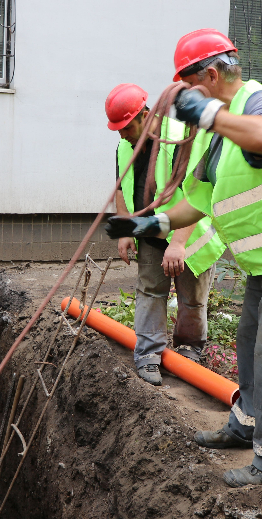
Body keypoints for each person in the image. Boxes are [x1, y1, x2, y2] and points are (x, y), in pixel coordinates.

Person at [105, 29, 262, 488]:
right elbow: (197, 201)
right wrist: (146, 226)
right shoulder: (219, 135)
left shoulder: (257, 104)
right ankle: (245, 427)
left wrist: (210, 114)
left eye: (190, 88)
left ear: (211, 76)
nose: (186, 100)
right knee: (250, 347)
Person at [104, 83, 225, 385]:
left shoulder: (181, 138)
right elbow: (121, 186)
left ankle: (188, 351)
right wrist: (125, 230)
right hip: (149, 234)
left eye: (126, 127)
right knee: (150, 291)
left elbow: (193, 196)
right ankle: (148, 354)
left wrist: (179, 244)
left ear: (145, 115)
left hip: (190, 236)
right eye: (117, 129)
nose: (121, 134)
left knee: (192, 298)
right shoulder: (123, 145)